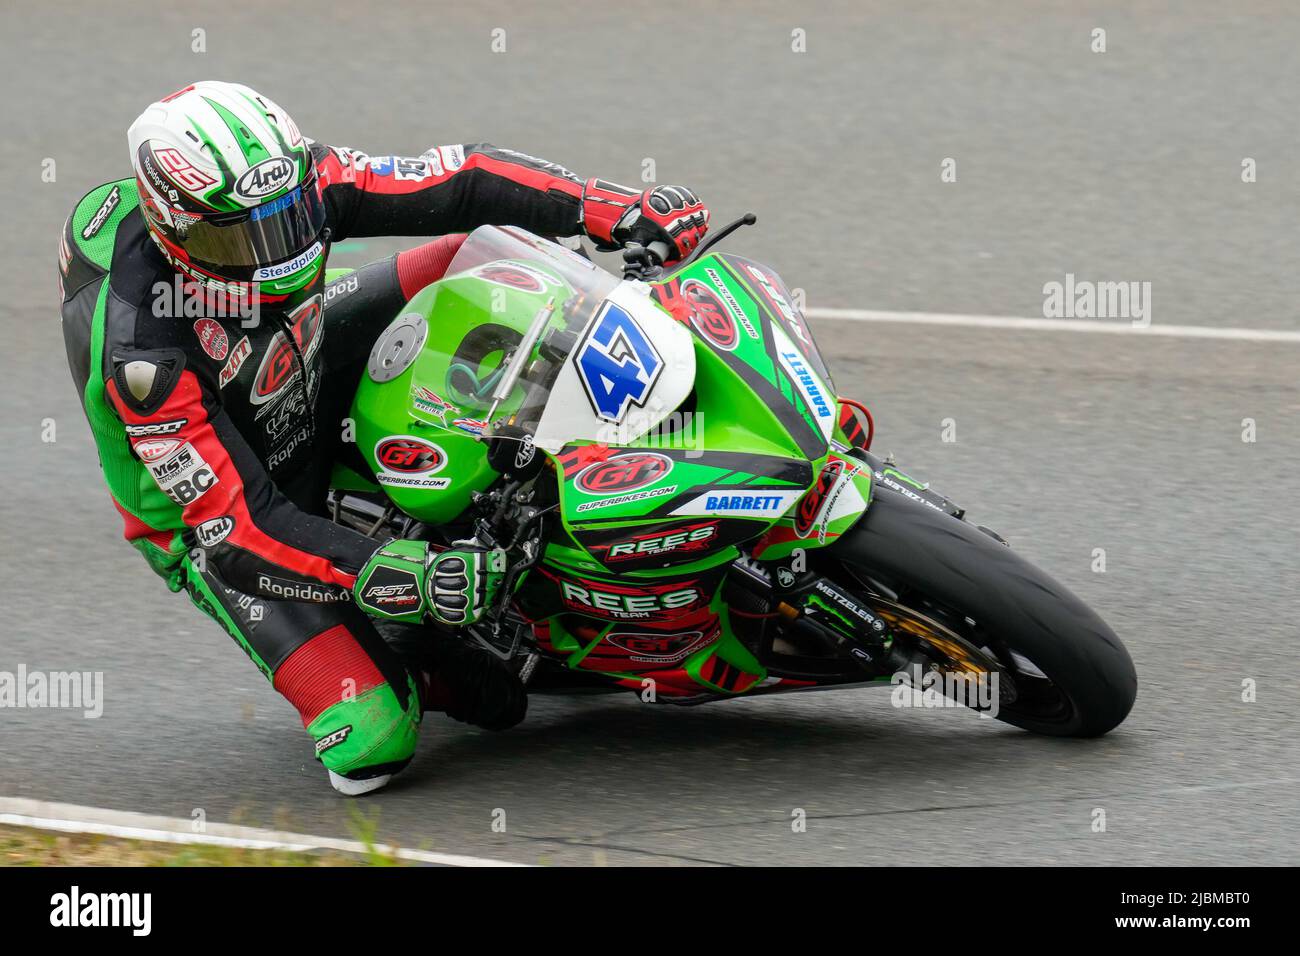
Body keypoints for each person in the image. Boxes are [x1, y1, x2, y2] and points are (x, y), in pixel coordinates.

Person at [58, 80, 709, 795]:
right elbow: (240, 527)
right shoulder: (145, 354)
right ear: (174, 231)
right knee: (372, 741)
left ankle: (619, 418)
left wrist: (609, 206)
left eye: (290, 217)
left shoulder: (291, 184)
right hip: (221, 519)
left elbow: (459, 178)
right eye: (243, 237)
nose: (281, 247)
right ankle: (413, 653)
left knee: (484, 259)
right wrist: (402, 571)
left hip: (300, 350)